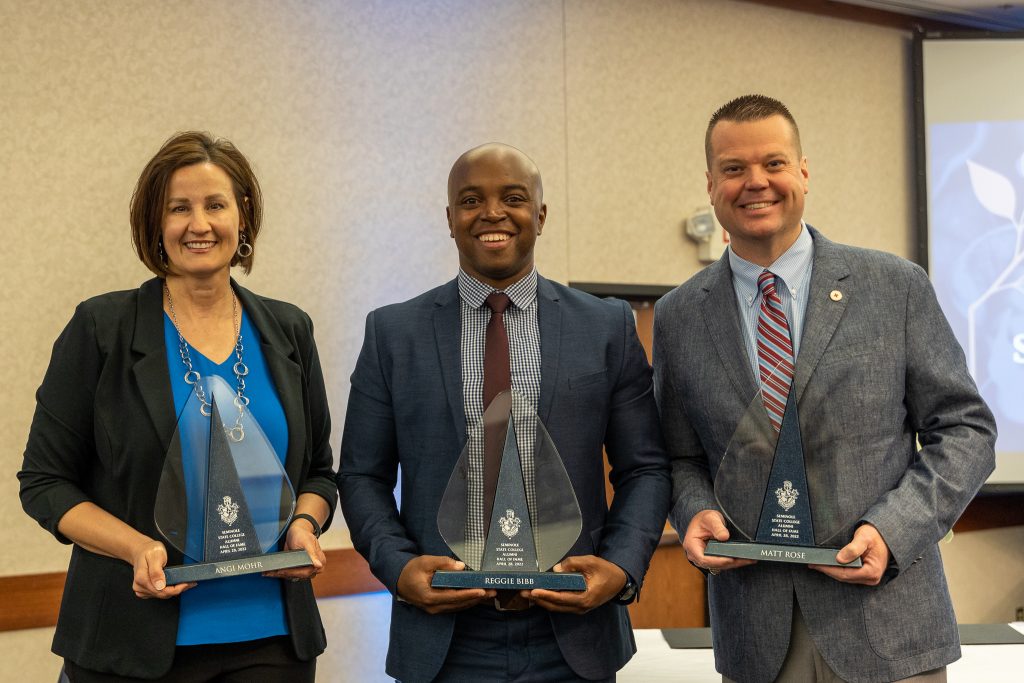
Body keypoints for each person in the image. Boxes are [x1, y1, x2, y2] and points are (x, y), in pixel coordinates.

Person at [653, 94, 997, 683]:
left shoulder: (894, 288)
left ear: (804, 172)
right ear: (711, 185)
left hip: (889, 630)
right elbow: (679, 455)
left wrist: (894, 530)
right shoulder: (679, 316)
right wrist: (694, 510)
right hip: (756, 638)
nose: (755, 182)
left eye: (774, 163)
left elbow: (966, 430)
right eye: (734, 169)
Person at [338, 143, 671, 682]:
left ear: (540, 215)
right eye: (471, 200)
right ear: (450, 220)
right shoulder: (393, 334)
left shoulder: (605, 327)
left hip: (573, 638)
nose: (492, 213)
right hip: (444, 641)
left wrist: (620, 566)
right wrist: (399, 569)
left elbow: (646, 468)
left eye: (513, 198)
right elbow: (360, 476)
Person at [19, 132, 337, 682]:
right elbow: (44, 482)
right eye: (179, 208)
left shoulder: (289, 330)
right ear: (155, 225)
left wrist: (305, 526)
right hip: (129, 643)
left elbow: (319, 474)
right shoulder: (101, 329)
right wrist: (136, 548)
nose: (199, 224)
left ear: (243, 217)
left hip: (273, 644)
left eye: (216, 205)